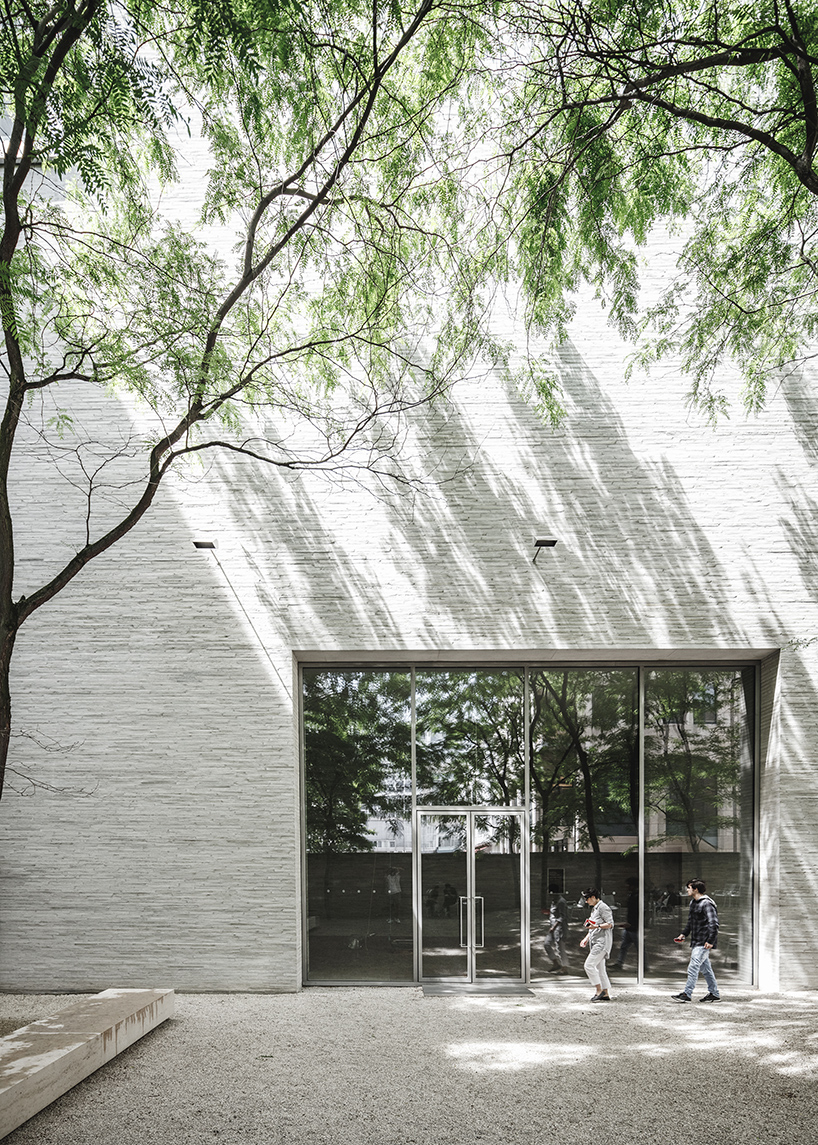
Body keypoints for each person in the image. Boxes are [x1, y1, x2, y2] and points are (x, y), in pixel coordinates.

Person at [671, 878, 721, 1003]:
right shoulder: (693, 903)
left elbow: (714, 924)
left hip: (704, 942)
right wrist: (684, 934)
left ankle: (687, 994)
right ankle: (714, 994)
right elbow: (690, 922)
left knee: (693, 967)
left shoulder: (707, 903)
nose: (687, 890)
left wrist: (710, 940)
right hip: (696, 940)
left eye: (688, 887)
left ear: (696, 889)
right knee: (706, 969)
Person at [580, 888, 614, 1002]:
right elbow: (592, 926)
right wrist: (586, 938)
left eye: (587, 899)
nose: (586, 901)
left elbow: (610, 924)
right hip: (596, 941)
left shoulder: (603, 907)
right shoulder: (595, 909)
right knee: (600, 969)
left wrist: (597, 927)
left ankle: (599, 990)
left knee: (588, 965)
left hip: (602, 943)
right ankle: (606, 993)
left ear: (593, 897)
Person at [612, 876, 639, 971]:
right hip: (629, 927)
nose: (626, 887)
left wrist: (633, 924)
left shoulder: (637, 896)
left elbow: (637, 913)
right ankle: (619, 963)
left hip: (634, 927)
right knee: (624, 946)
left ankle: (644, 967)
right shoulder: (632, 895)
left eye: (628, 885)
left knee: (639, 947)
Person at [543, 882, 568, 973]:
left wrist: (554, 926)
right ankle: (556, 963)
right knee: (547, 944)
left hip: (559, 928)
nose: (548, 895)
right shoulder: (554, 901)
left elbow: (562, 916)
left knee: (560, 948)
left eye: (549, 892)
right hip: (553, 927)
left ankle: (564, 968)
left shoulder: (561, 902)